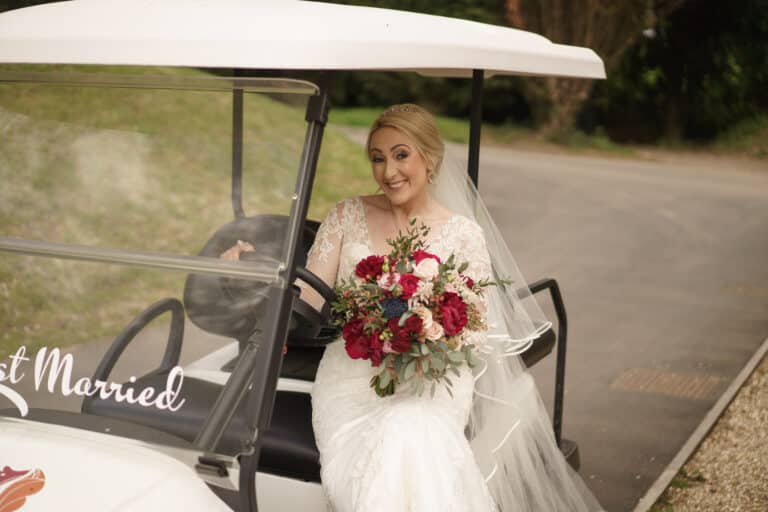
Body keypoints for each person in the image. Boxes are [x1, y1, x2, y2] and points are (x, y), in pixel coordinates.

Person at [223, 104, 603, 512]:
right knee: (407, 446)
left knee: (411, 431)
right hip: (352, 384)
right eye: (378, 158)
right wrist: (250, 274)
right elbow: (307, 300)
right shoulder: (347, 215)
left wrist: (424, 331)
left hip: (432, 383)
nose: (389, 172)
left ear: (431, 158)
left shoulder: (462, 234)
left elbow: (472, 333)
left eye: (401, 155)